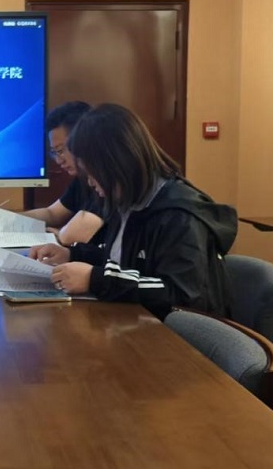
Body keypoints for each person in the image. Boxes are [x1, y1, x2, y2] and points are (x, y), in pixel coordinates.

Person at [29, 103, 237, 320]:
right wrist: (72, 255)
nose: (90, 183)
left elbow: (181, 294)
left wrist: (95, 279)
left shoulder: (179, 216)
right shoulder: (129, 202)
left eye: (93, 174)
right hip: (137, 320)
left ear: (116, 165)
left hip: (179, 334)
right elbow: (124, 262)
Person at [22, 101, 104, 245]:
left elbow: (69, 236)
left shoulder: (105, 180)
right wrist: (7, 220)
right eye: (54, 152)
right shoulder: (81, 178)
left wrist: (59, 234)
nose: (58, 161)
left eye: (60, 151)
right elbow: (53, 214)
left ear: (81, 141)